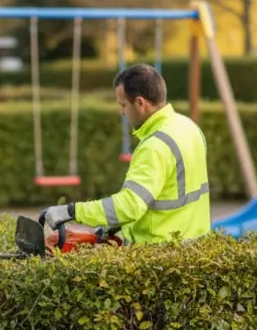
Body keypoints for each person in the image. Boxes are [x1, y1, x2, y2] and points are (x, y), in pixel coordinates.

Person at [38, 63, 211, 246]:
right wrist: (108, 227)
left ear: (140, 103)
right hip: (194, 246)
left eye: (123, 105)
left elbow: (130, 205)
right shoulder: (189, 127)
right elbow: (166, 192)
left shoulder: (155, 147)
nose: (121, 111)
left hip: (159, 251)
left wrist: (71, 212)